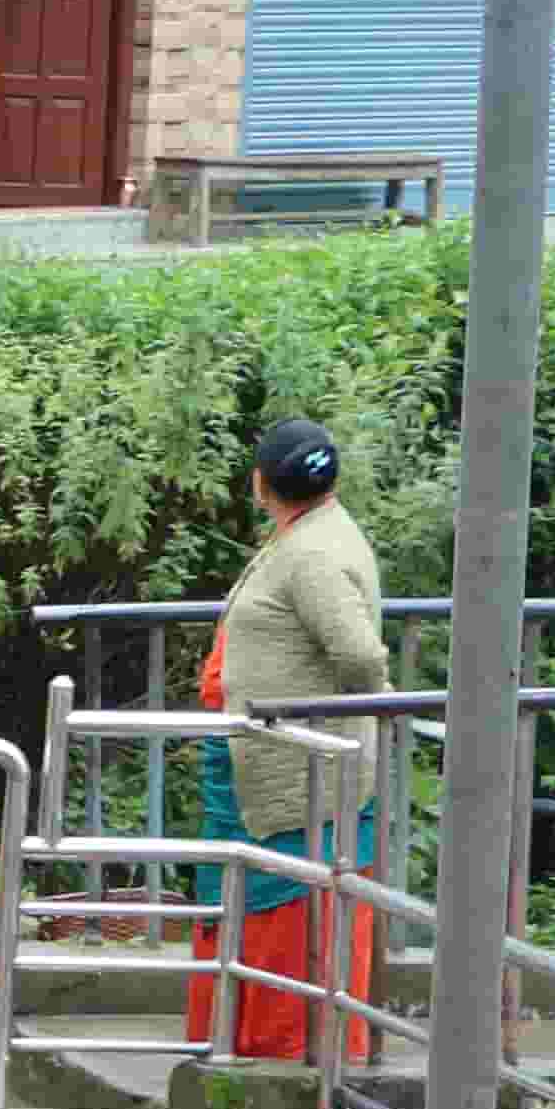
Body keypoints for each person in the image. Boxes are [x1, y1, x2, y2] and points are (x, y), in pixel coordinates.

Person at [206, 421, 386, 1062]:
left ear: (260, 485)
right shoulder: (311, 535)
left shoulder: (311, 553)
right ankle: (257, 1044)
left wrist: (340, 718)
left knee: (290, 907)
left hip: (299, 769)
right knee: (265, 902)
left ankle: (279, 1055)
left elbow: (361, 656)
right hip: (277, 763)